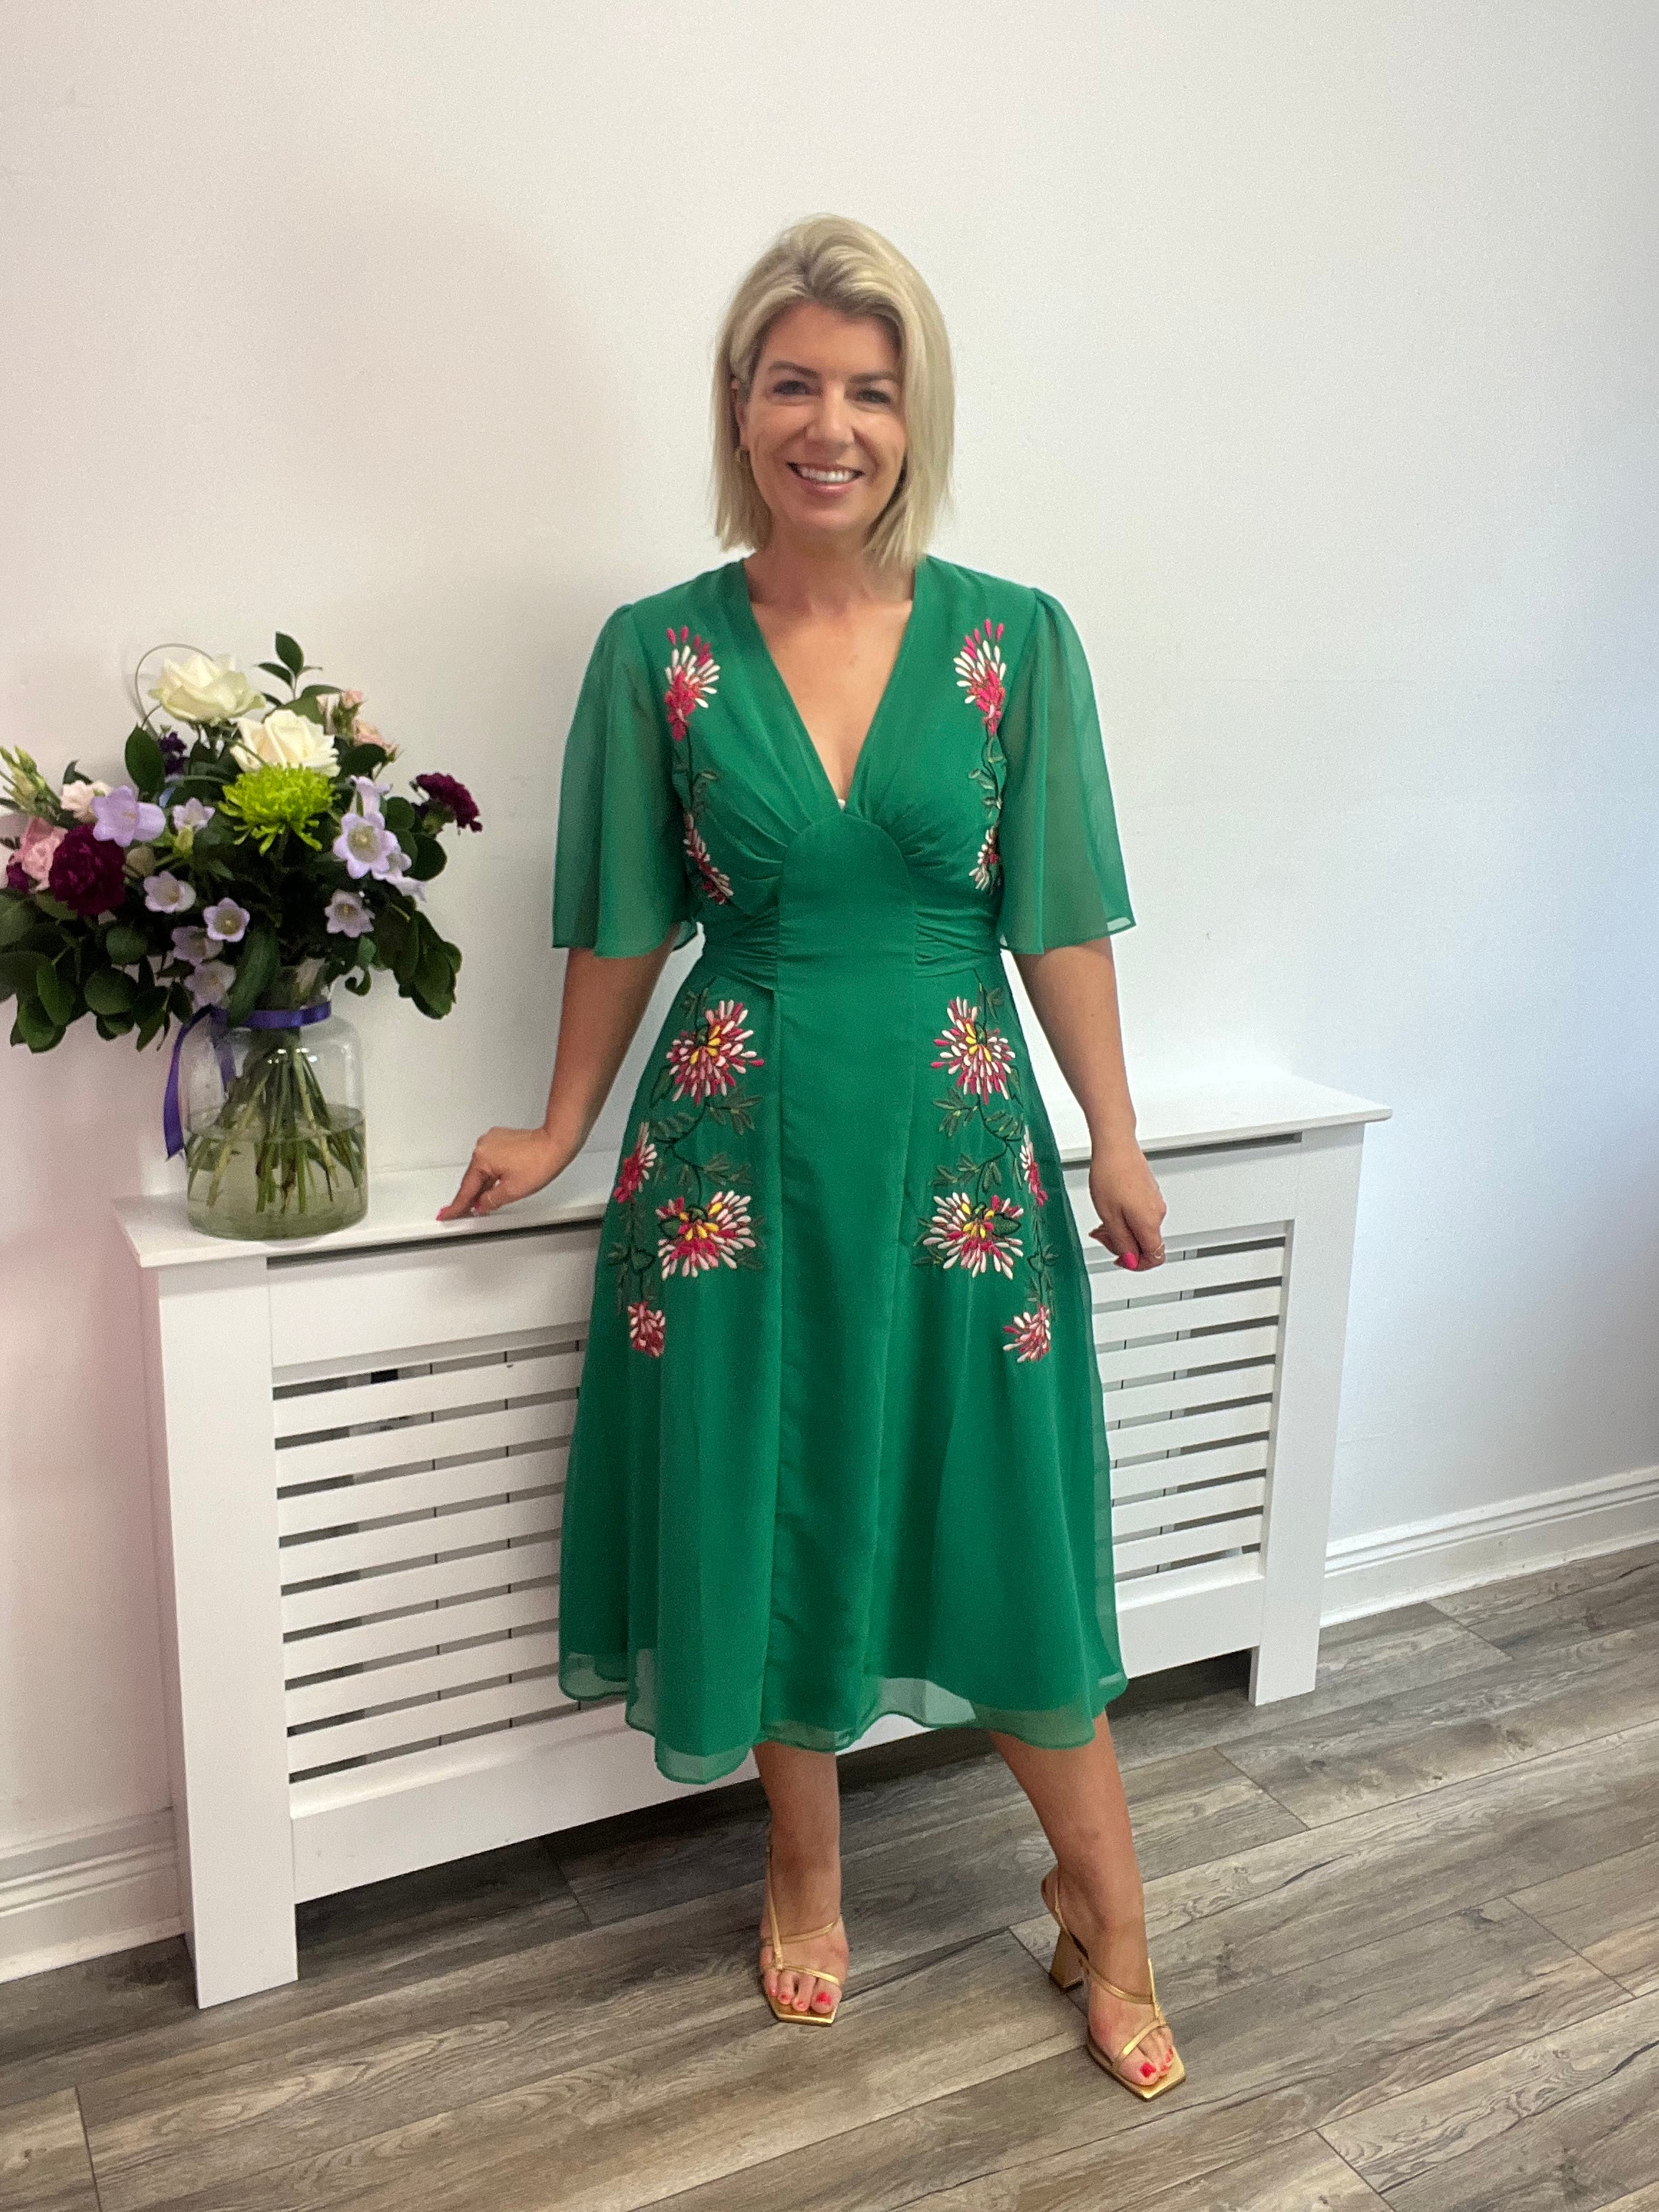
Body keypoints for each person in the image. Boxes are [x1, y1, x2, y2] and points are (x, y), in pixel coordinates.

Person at [442, 213, 1183, 2096]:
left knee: (1001, 1517)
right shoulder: (658, 651)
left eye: (870, 389)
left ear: (915, 415)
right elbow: (622, 918)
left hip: (960, 1158)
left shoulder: (1015, 638)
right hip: (731, 1158)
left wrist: (1112, 1134)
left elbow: (1056, 916)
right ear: (740, 405)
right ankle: (802, 1870)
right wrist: (559, 1122)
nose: (830, 425)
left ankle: (1109, 1908)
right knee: (763, 1492)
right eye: (794, 385)